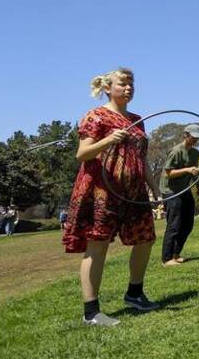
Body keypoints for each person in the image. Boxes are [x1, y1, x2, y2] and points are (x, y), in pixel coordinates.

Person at [63, 67, 159, 326]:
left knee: (146, 239)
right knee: (98, 245)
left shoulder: (137, 120)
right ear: (107, 88)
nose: (128, 88)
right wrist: (108, 140)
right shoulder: (96, 116)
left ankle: (135, 295)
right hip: (102, 190)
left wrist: (155, 188)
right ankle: (91, 312)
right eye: (122, 84)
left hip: (134, 192)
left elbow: (142, 159)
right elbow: (82, 154)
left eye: (131, 84)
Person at [160, 123, 199, 266]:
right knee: (174, 225)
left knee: (188, 224)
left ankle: (176, 253)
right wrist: (187, 170)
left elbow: (194, 171)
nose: (196, 140)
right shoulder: (175, 152)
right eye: (193, 137)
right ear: (186, 135)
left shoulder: (196, 153)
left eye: (197, 138)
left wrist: (198, 185)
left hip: (185, 189)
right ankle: (166, 259)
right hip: (171, 191)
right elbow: (169, 173)